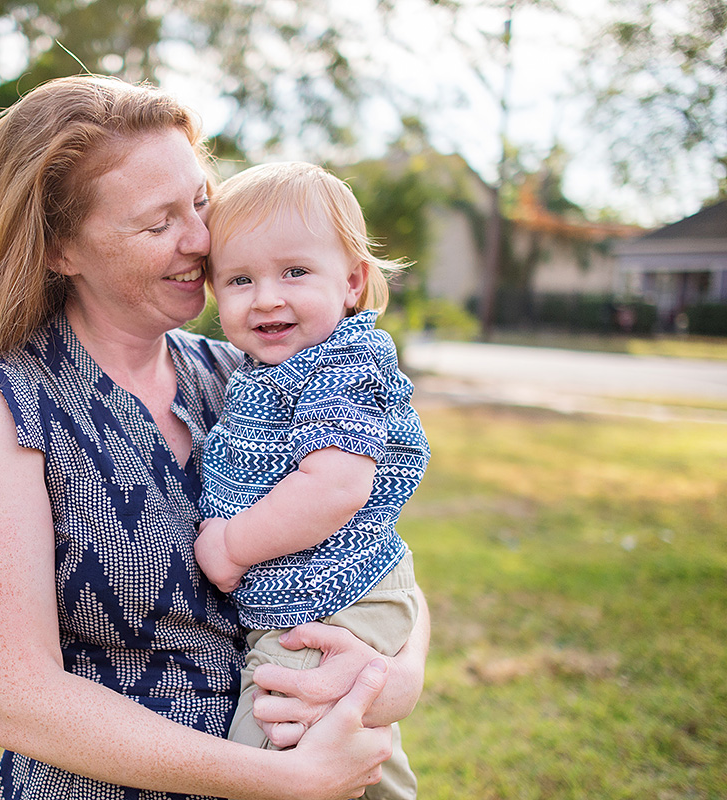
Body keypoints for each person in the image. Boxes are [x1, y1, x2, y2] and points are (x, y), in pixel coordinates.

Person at [0, 75, 430, 800]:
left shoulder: (248, 373)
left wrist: (387, 680)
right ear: (60, 251)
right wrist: (280, 778)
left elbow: (377, 557)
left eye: (201, 202)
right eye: (159, 223)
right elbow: (21, 703)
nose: (203, 240)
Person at [194, 162, 430, 799]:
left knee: (271, 757)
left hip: (325, 606)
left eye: (294, 272)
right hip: (321, 598)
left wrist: (230, 544)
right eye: (240, 279)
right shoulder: (266, 368)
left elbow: (335, 486)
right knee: (355, 763)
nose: (267, 297)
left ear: (353, 282)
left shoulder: (339, 362)